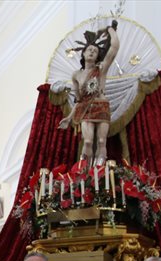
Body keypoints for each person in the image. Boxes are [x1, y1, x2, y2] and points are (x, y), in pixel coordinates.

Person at [62, 21, 119, 165]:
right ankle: (83, 171)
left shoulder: (101, 69)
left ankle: (99, 170)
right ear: (83, 52)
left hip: (101, 106)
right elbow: (79, 100)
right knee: (87, 141)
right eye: (90, 49)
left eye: (95, 50)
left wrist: (110, 29)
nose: (92, 51)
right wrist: (69, 118)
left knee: (101, 141)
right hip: (85, 109)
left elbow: (114, 47)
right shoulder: (76, 75)